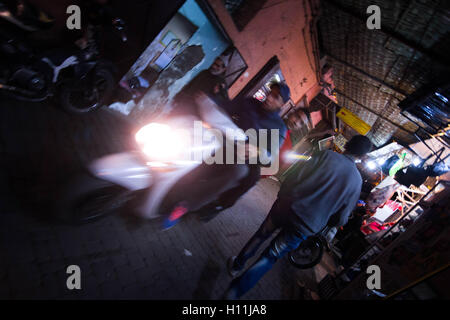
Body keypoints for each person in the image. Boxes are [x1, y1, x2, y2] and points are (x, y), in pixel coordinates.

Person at [223, 134, 372, 299]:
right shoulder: (356, 182)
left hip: (286, 207)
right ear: (363, 156)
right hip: (305, 226)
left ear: (348, 144)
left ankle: (237, 265)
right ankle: (234, 292)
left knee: (261, 235)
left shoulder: (326, 155)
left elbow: (297, 175)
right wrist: (324, 217)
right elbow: (341, 219)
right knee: (270, 256)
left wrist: (284, 195)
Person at [196, 84, 288, 221]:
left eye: (275, 97)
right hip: (227, 140)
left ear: (282, 104)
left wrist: (257, 151)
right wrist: (206, 99)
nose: (269, 98)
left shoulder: (279, 127)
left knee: (251, 177)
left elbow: (270, 157)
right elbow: (225, 106)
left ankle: (218, 206)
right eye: (270, 93)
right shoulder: (250, 102)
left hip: (248, 157)